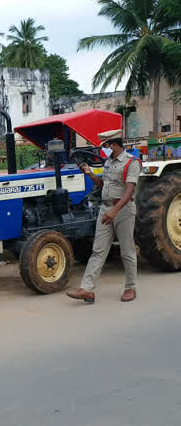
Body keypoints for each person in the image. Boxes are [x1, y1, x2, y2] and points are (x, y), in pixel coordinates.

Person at [67, 129, 140, 303]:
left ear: (114, 144)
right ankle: (87, 289)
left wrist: (114, 211)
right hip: (105, 209)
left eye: (105, 145)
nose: (104, 148)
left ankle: (130, 287)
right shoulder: (108, 163)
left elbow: (130, 190)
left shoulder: (131, 163)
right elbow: (103, 184)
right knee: (98, 250)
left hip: (123, 211)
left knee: (127, 251)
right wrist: (89, 173)